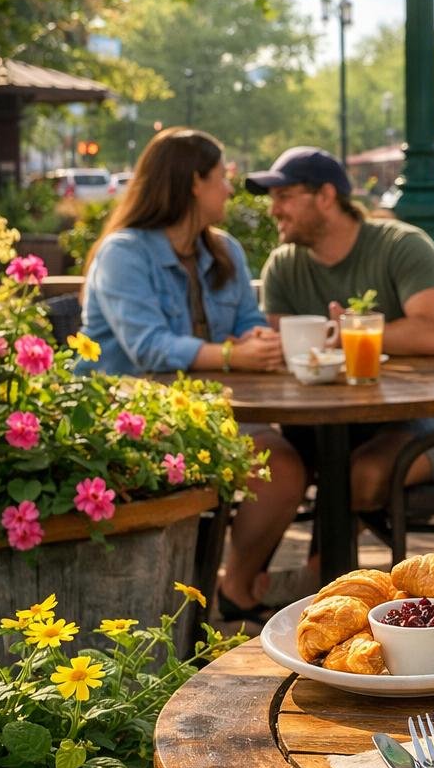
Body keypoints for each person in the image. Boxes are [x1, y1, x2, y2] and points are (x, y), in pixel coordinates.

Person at [79, 127, 307, 622]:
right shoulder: (123, 254)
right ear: (191, 184)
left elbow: (247, 321)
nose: (229, 188)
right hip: (127, 419)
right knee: (282, 465)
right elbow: (147, 348)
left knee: (285, 468)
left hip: (207, 415)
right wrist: (232, 357)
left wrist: (258, 341)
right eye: (220, 177)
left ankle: (236, 591)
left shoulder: (224, 249)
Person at [250, 147, 434, 515]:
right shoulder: (282, 266)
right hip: (331, 417)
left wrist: (353, 332)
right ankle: (256, 574)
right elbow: (283, 350)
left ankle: (323, 570)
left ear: (325, 197)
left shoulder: (402, 245)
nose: (273, 210)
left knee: (364, 475)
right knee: (278, 470)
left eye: (284, 197)